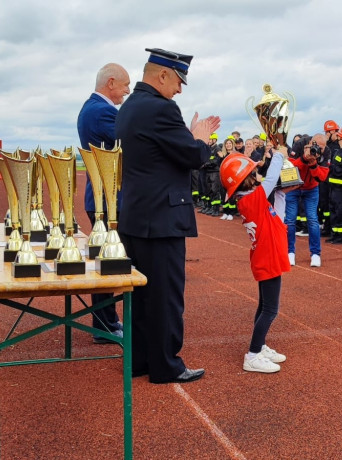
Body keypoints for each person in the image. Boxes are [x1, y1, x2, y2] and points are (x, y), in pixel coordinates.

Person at [115, 48, 220, 384]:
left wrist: (186, 136)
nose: (179, 90)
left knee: (140, 296)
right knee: (165, 297)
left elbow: (160, 152)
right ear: (162, 75)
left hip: (136, 216)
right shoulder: (162, 109)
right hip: (162, 219)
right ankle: (166, 366)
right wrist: (201, 138)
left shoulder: (130, 106)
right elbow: (193, 156)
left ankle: (140, 360)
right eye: (178, 81)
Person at [220, 150, 291, 373]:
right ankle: (252, 354)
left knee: (264, 306)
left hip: (267, 256)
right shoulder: (253, 199)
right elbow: (271, 179)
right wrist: (278, 155)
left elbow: (277, 216)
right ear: (247, 179)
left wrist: (281, 193)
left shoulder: (252, 199)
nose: (257, 174)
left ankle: (259, 347)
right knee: (270, 310)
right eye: (253, 173)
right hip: (268, 258)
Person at [77, 62, 130, 344]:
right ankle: (105, 325)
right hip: (108, 200)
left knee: (106, 261)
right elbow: (131, 143)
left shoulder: (91, 107)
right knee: (109, 263)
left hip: (102, 198)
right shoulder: (102, 112)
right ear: (111, 83)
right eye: (125, 85)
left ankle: (106, 321)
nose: (127, 91)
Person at [285, 134, 329, 267]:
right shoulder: (299, 144)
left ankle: (315, 254)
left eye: (322, 148)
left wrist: (313, 164)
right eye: (317, 146)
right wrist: (304, 159)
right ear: (311, 142)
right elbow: (289, 167)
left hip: (311, 188)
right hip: (293, 186)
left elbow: (322, 177)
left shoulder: (326, 151)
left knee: (313, 219)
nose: (319, 150)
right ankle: (289, 252)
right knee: (290, 220)